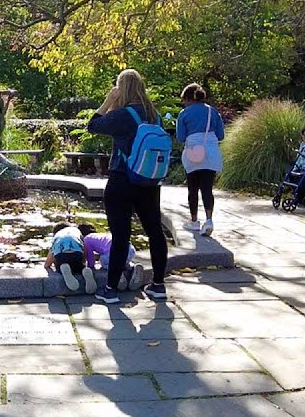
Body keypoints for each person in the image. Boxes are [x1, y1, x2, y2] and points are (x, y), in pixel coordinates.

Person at [87, 69, 171, 304]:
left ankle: (111, 289)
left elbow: (93, 126)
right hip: (150, 182)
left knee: (121, 235)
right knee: (155, 231)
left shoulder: (123, 115)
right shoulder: (155, 116)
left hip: (122, 180)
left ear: (121, 89)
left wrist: (108, 101)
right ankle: (158, 285)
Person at [176, 83, 225, 235]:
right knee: (207, 187)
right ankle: (209, 220)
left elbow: (181, 137)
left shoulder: (184, 113)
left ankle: (194, 220)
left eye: (184, 100)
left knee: (193, 188)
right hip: (210, 152)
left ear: (189, 99)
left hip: (192, 152)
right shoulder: (213, 112)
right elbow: (221, 135)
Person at [77, 223, 137, 289]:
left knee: (103, 260)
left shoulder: (86, 239)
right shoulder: (102, 235)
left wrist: (90, 267)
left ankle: (119, 274)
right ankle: (132, 267)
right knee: (122, 260)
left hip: (114, 253)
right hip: (130, 249)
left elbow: (90, 257)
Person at [44, 222, 97, 293]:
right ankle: (84, 270)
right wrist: (83, 261)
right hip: (76, 254)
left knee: (61, 264)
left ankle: (63, 268)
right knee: (78, 266)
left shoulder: (57, 236)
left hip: (62, 256)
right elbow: (84, 248)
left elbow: (51, 255)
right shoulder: (76, 232)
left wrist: (47, 265)